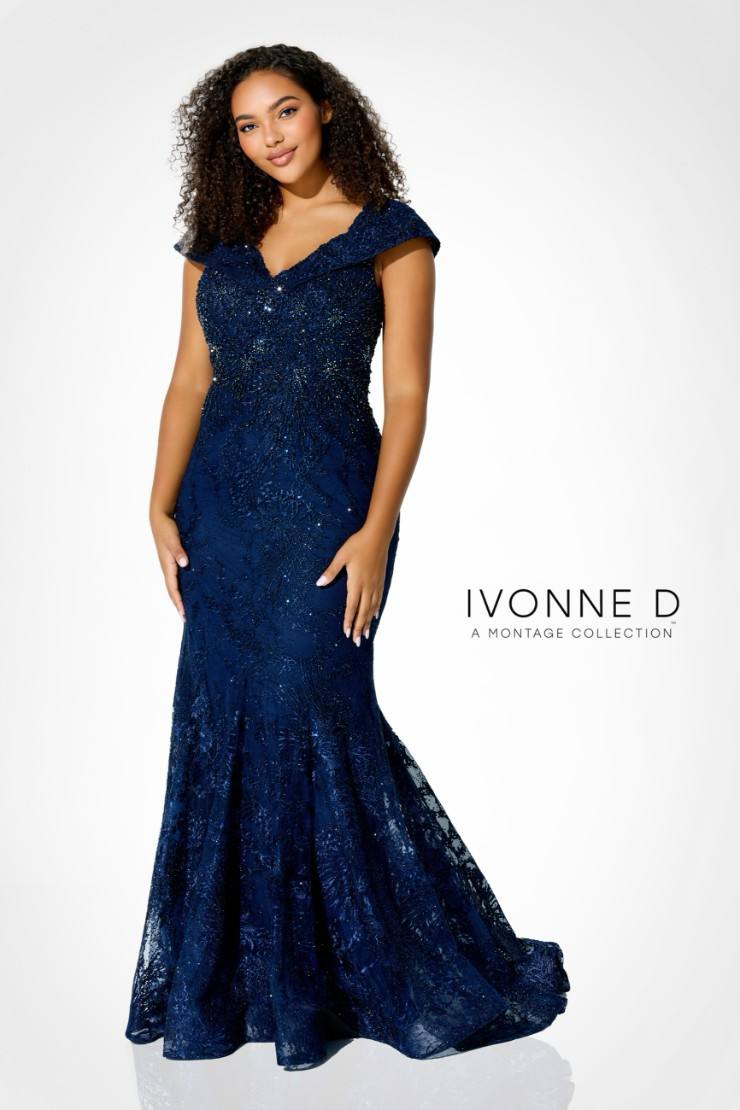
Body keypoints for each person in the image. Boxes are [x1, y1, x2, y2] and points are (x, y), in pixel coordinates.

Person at [125, 43, 570, 1072]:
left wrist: (374, 528)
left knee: (316, 712)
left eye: (283, 112)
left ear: (325, 110)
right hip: (221, 513)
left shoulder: (389, 236)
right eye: (246, 125)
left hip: (332, 506)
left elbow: (406, 395)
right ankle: (242, 981)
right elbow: (189, 380)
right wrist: (156, 504)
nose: (268, 138)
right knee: (225, 719)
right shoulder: (218, 242)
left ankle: (353, 975)